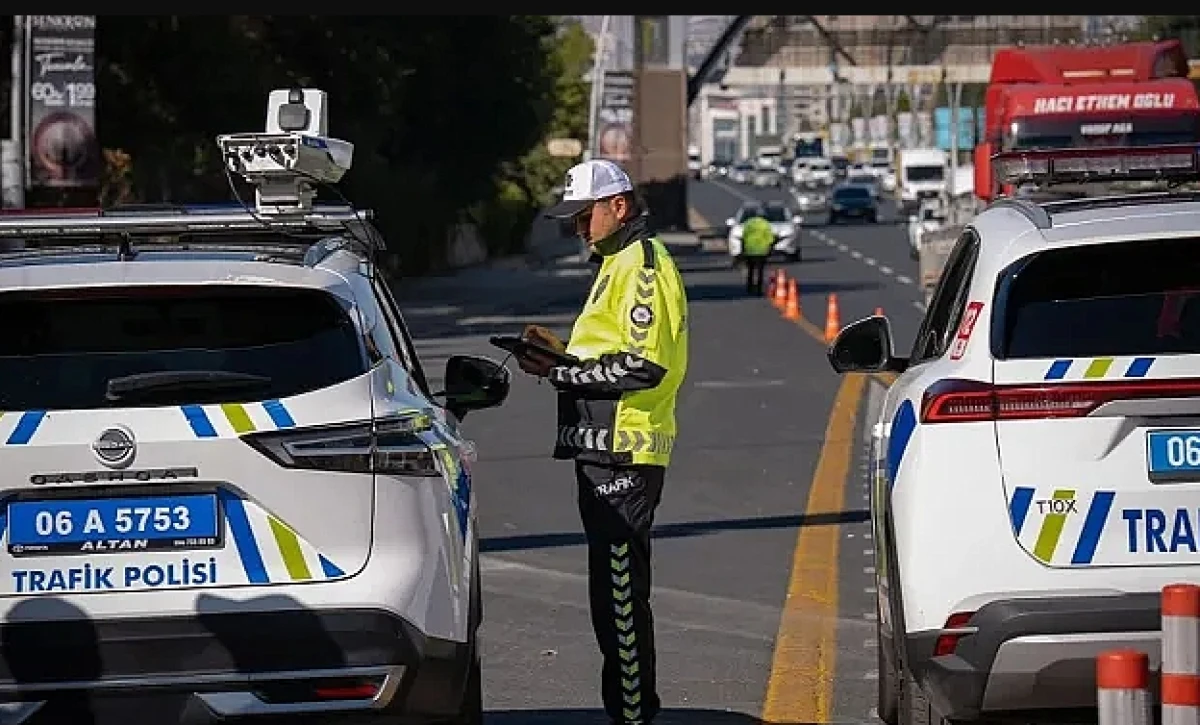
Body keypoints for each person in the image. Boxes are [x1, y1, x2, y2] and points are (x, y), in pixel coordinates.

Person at [520, 158, 689, 725]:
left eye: (583, 215)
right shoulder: (614, 263)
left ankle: (634, 714)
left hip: (625, 453)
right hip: (600, 449)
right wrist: (559, 357)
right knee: (609, 600)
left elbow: (644, 366)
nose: (577, 228)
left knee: (620, 602)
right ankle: (630, 709)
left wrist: (560, 373)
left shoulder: (641, 266)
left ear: (619, 206)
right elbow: (606, 353)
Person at [739, 211, 775, 296]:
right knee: (760, 271)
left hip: (750, 250)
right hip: (761, 250)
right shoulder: (765, 224)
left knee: (750, 270)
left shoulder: (749, 223)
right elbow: (770, 238)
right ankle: (758, 289)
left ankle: (749, 287)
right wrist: (770, 248)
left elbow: (744, 237)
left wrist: (743, 249)